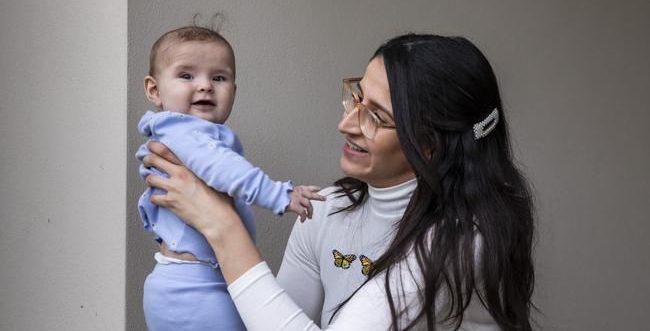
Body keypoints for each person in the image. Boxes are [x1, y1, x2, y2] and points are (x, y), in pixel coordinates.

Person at [142, 33, 536, 330]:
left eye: (376, 116)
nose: (345, 123)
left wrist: (221, 224)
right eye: (356, 97)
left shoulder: (458, 240)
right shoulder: (327, 210)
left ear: (430, 145)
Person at [136, 25, 325, 330]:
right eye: (186, 75)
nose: (205, 86)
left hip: (191, 281)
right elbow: (224, 170)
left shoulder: (181, 133)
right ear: (154, 90)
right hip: (194, 288)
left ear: (233, 92)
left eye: (218, 78)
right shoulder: (183, 129)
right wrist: (281, 194)